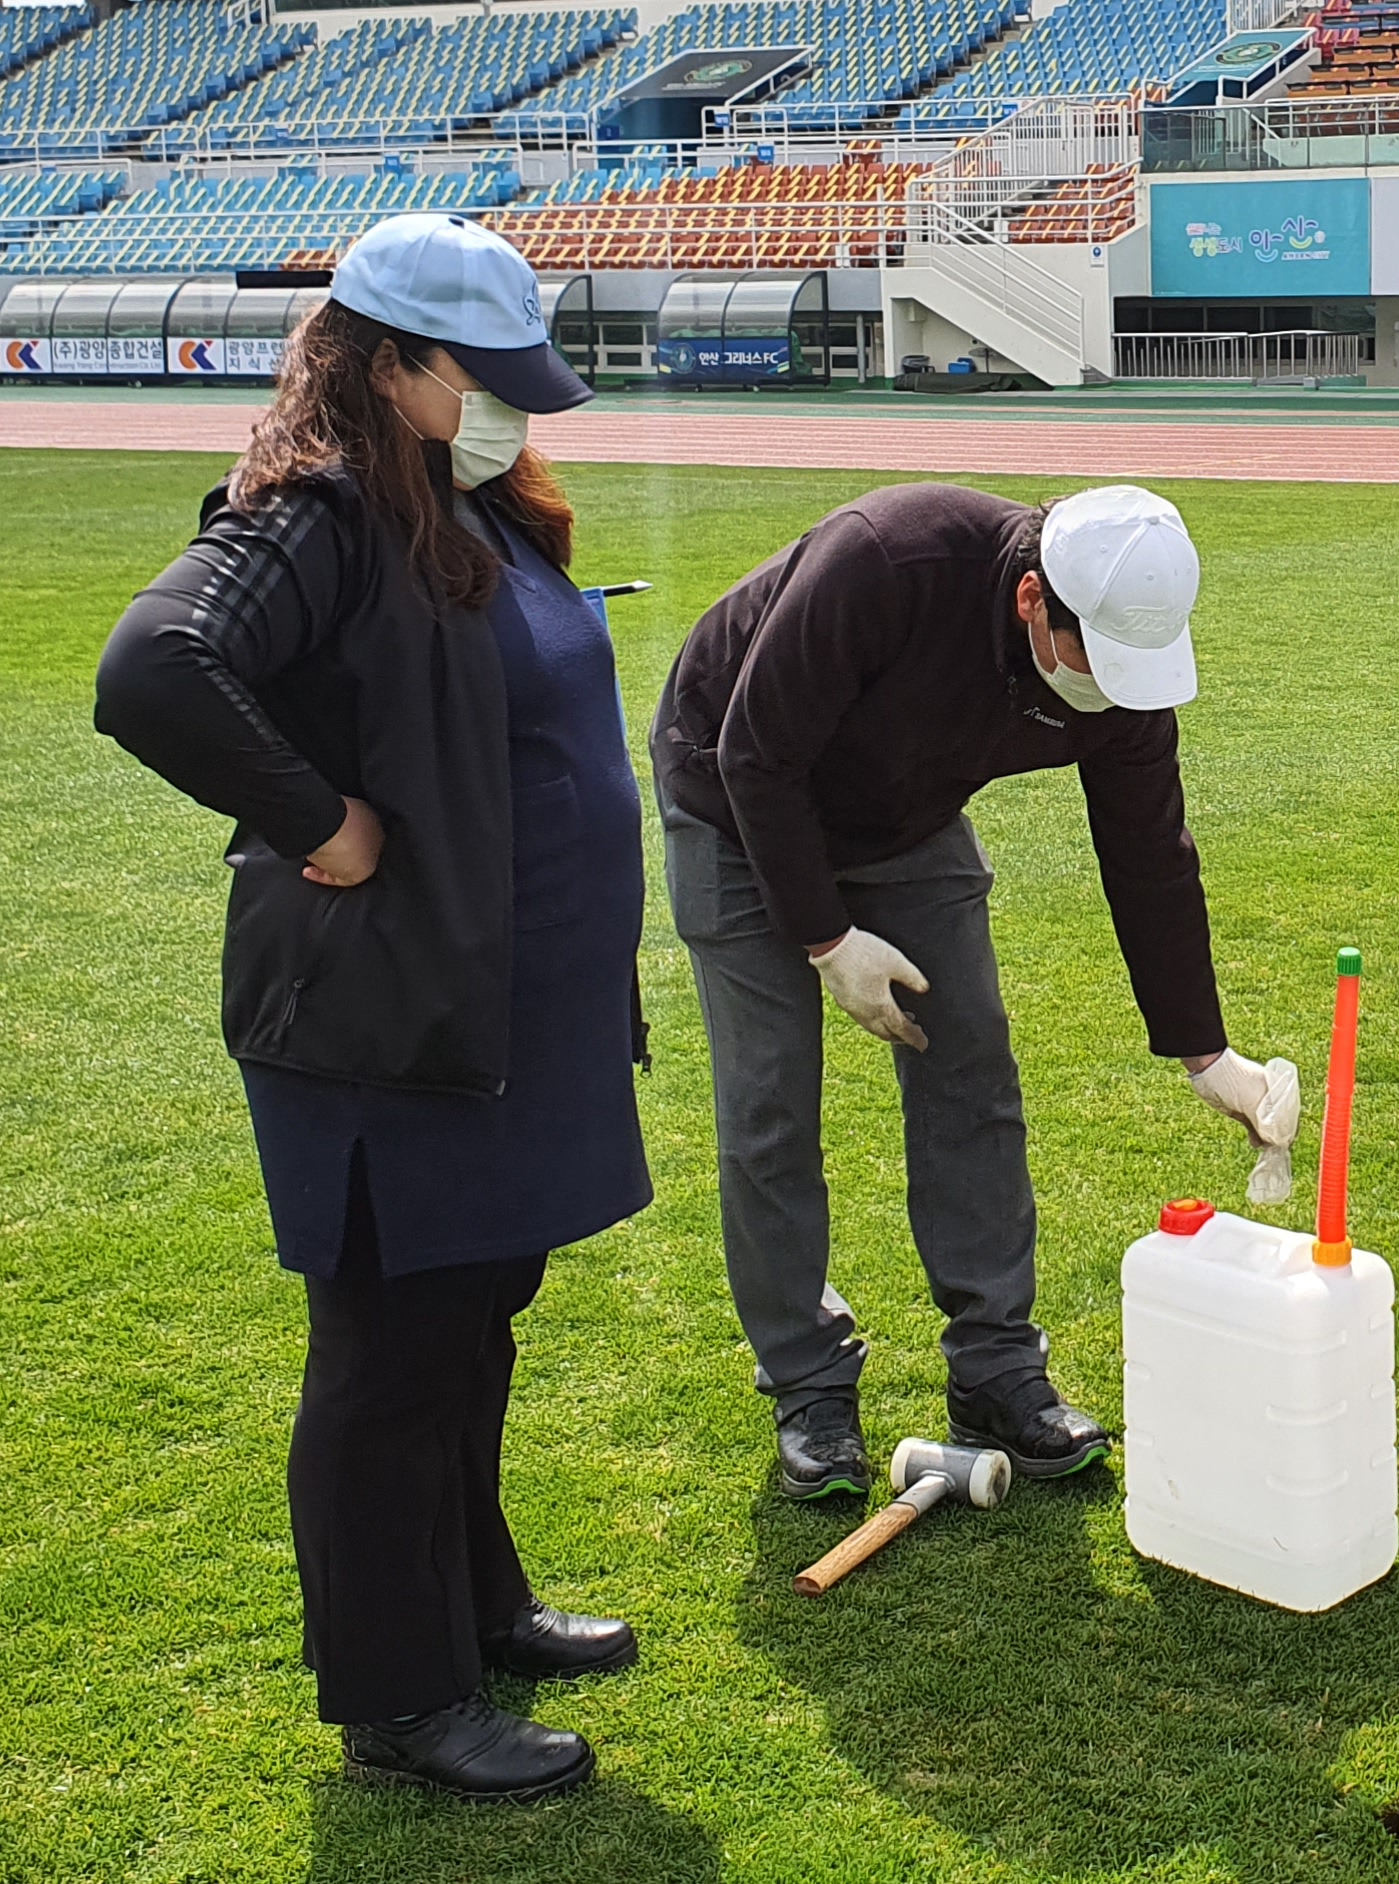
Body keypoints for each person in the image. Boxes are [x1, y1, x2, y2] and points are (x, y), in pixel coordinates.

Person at [94, 212, 646, 1802]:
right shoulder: (317, 514)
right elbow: (155, 668)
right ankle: (400, 1700)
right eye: (487, 377)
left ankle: (475, 1607)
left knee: (475, 1327)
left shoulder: (463, 503)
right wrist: (320, 819)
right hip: (383, 1029)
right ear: (392, 363)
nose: (516, 408)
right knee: (392, 1357)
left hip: (496, 1023)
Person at [652, 483, 1303, 1504]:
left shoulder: (1123, 678)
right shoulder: (888, 560)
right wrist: (827, 939)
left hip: (906, 816)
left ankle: (996, 1370)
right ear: (1032, 599)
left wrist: (1204, 1051)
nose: (1110, 686)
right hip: (737, 795)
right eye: (1093, 658)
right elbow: (757, 753)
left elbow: (1149, 854)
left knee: (973, 1071)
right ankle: (809, 1385)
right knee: (770, 1103)